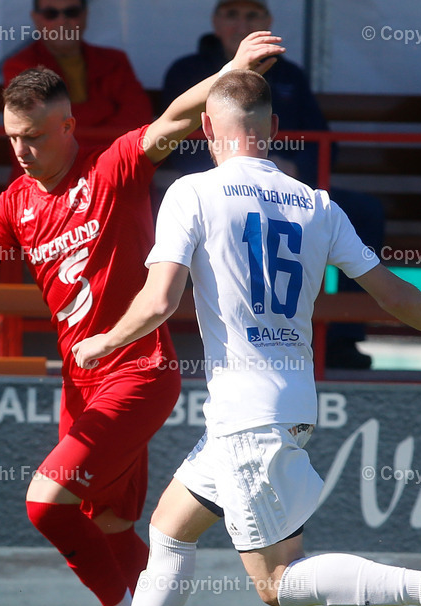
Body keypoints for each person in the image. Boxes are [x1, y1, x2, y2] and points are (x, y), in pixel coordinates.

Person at [39, 70, 421, 606]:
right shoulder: (317, 204)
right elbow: (390, 292)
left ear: (207, 130)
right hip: (283, 403)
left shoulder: (192, 192)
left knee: (279, 583)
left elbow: (159, 300)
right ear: (275, 132)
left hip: (246, 418)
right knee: (170, 530)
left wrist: (102, 342)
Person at [0, 33, 285, 606]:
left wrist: (229, 74)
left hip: (139, 371)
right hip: (82, 385)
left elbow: (175, 122)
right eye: (12, 137)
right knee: (112, 526)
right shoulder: (15, 203)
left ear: (69, 125)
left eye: (34, 135)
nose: (21, 149)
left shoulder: (114, 167)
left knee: (45, 504)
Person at [162, 0, 383, 370]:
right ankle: (166, 341)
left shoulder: (290, 75)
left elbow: (323, 143)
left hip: (283, 192)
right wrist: (237, 169)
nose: (241, 24)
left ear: (268, 22)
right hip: (213, 193)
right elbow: (173, 143)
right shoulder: (188, 72)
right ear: (216, 20)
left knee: (366, 211)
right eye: (232, 14)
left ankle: (342, 340)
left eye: (252, 16)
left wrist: (291, 165)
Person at [3, 0, 152, 135]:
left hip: (110, 161)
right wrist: (105, 109)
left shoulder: (115, 61)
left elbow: (140, 117)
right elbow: (40, 127)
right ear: (35, 18)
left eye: (71, 12)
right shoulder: (20, 67)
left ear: (85, 15)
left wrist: (70, 122)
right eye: (50, 14)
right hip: (51, 164)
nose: (62, 21)